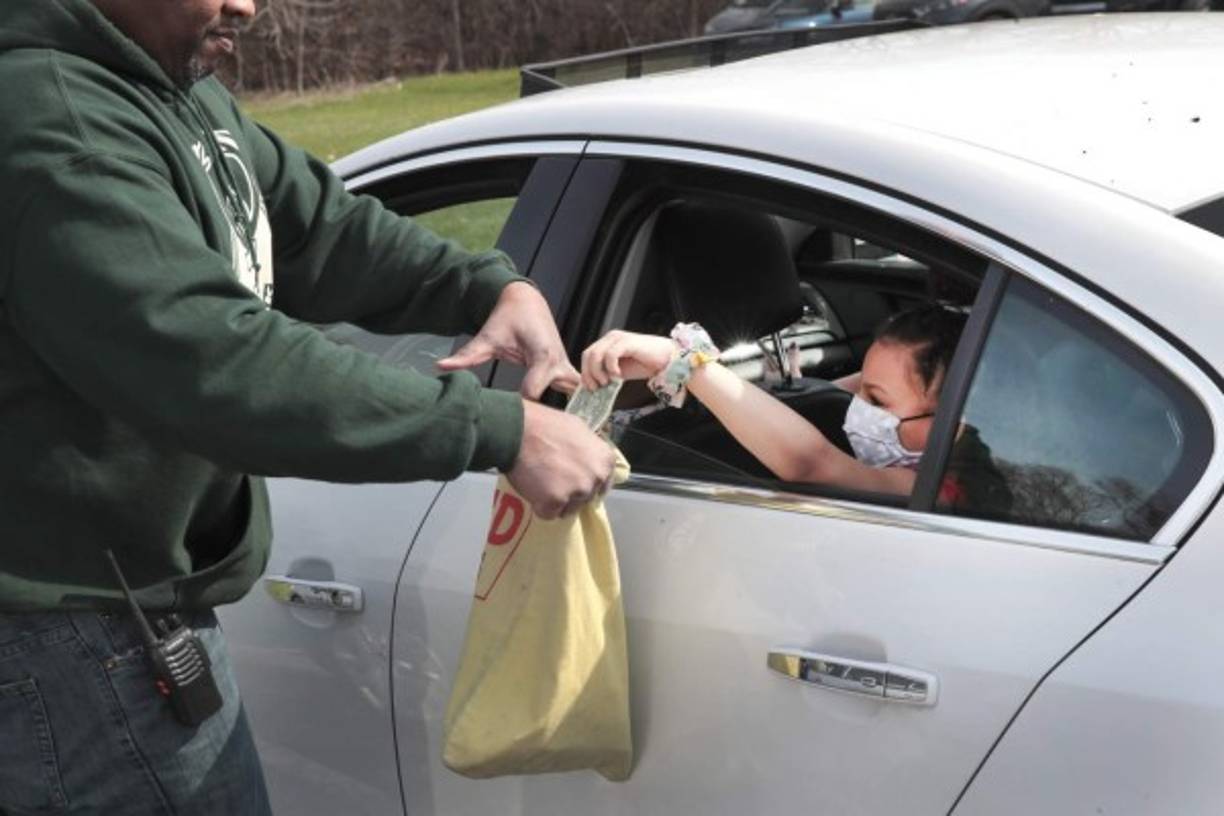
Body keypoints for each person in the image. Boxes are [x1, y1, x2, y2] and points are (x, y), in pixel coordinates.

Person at [0, 0, 614, 813]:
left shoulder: (167, 82)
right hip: (75, 634)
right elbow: (215, 362)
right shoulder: (56, 123)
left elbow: (314, 228)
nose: (248, 6)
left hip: (124, 618)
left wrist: (482, 285)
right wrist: (500, 427)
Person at [582, 303, 1011, 509]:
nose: (855, 406)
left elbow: (811, 464)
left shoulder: (951, 489)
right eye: (862, 384)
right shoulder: (962, 441)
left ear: (952, 419)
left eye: (876, 399)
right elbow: (820, 390)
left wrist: (684, 362)